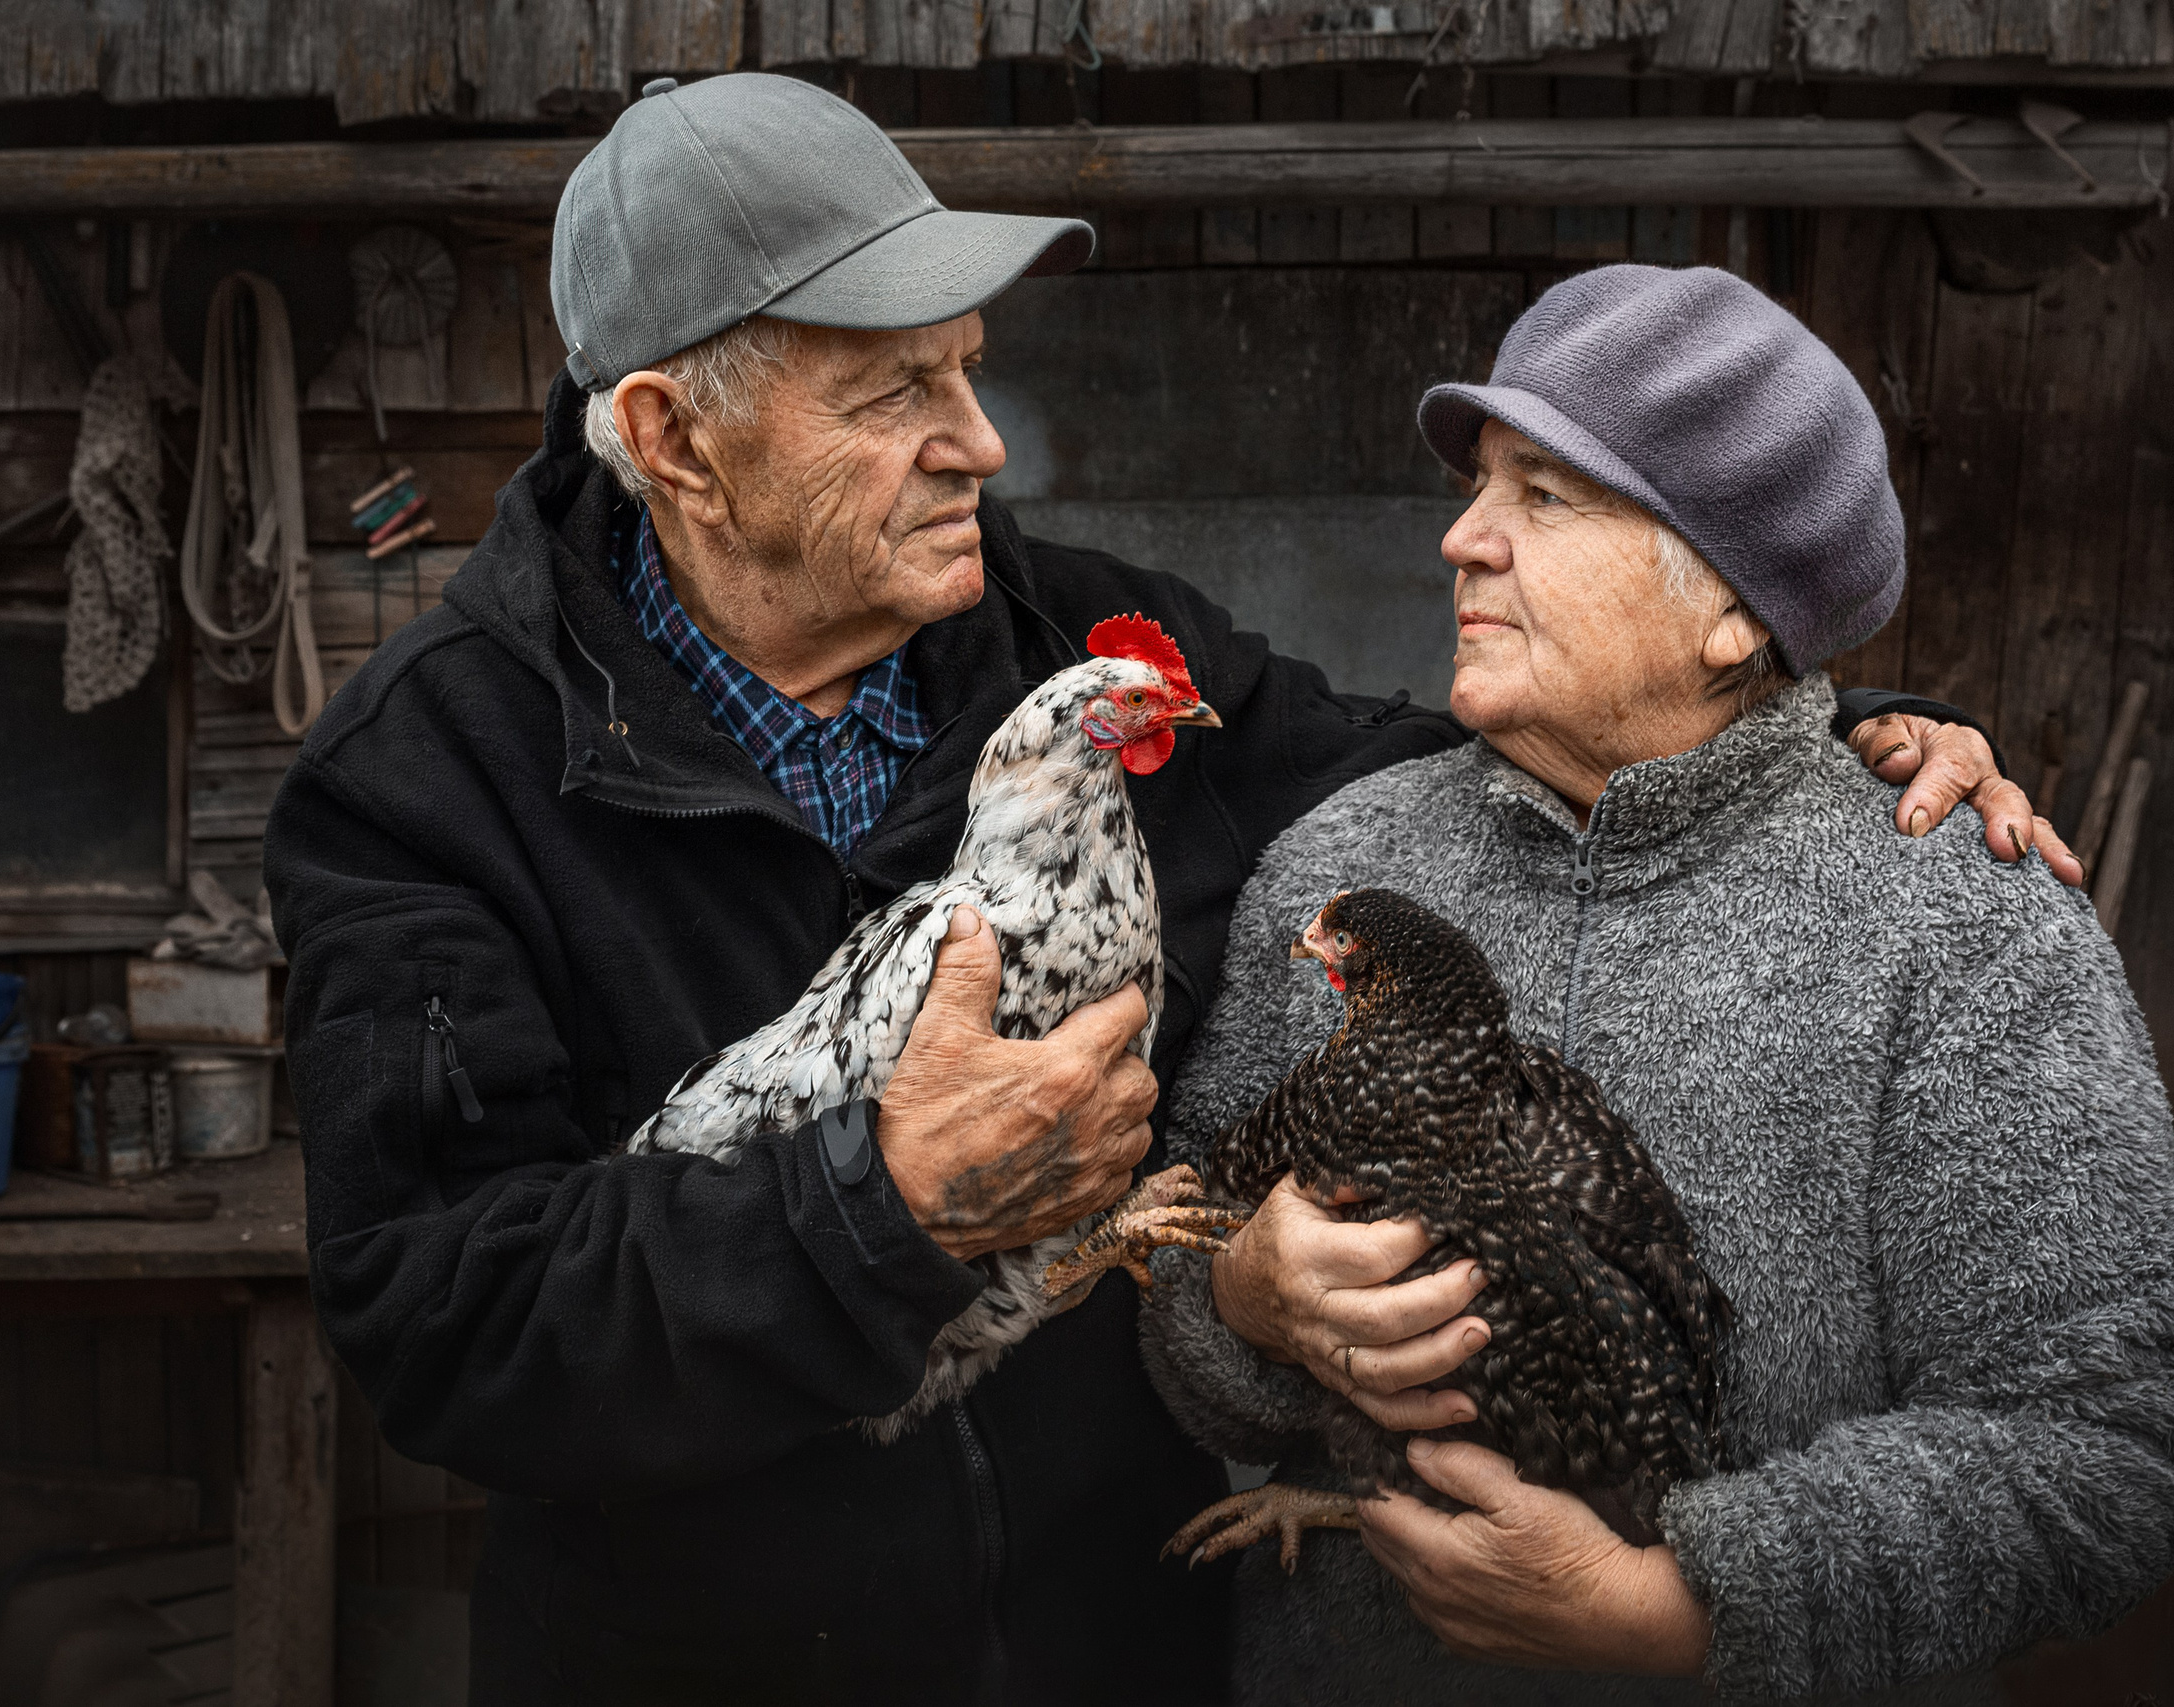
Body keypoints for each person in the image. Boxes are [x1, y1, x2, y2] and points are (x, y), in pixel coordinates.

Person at [267, 77, 2061, 1706]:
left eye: (966, 368)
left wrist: (1827, 731)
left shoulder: (1084, 643)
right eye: (894, 391)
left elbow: (1443, 765)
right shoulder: (425, 785)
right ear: (672, 438)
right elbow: (446, 1328)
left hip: (1109, 1654)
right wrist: (875, 1208)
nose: (979, 441)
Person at [1138, 265, 2174, 1706]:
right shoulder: (1340, 864)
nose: (1462, 538)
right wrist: (1238, 1304)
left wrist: (1692, 1605)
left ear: (1731, 609)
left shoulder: (1961, 923)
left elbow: (2109, 1444)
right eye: (1476, 490)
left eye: (1545, 497)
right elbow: (1179, 1242)